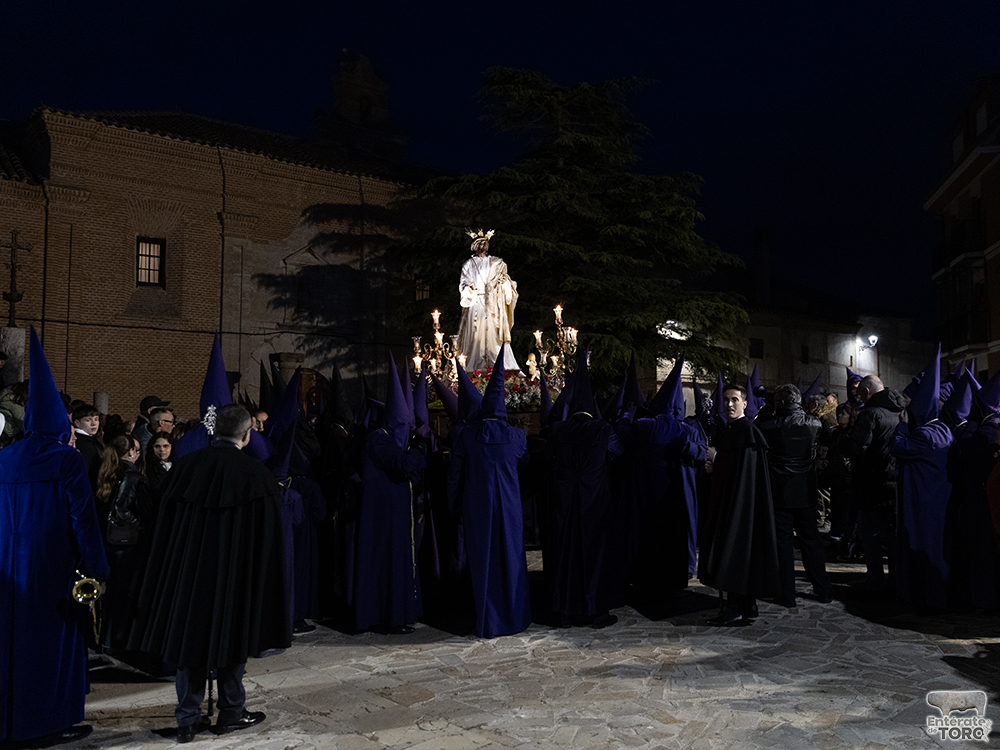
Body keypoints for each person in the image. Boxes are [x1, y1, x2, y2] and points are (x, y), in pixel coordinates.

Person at [129, 404, 289, 742]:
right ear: (247, 435)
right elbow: (268, 541)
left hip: (187, 575)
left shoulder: (184, 468)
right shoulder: (256, 476)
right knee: (233, 638)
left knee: (189, 640)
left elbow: (162, 527)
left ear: (214, 431)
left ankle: (187, 718)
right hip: (235, 577)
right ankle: (231, 711)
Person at [0, 328, 109, 745]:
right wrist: (97, 569)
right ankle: (45, 723)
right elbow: (83, 519)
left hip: (7, 570)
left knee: (9, 645)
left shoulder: (5, 457)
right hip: (51, 571)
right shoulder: (66, 461)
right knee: (50, 649)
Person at [448, 359, 532, 637]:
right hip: (509, 507)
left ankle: (487, 619)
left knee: (482, 560)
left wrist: (453, 503)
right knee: (512, 558)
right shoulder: (517, 437)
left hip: (478, 506)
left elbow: (456, 473)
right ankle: (515, 616)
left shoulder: (467, 437)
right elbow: (526, 463)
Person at [549, 354, 624, 627]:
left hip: (566, 502)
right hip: (594, 503)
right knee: (594, 556)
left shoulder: (560, 429)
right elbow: (619, 451)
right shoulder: (601, 429)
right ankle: (595, 610)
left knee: (566, 555)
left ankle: (565, 611)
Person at [354, 357, 427, 634]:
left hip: (396, 513)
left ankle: (400, 614)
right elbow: (403, 464)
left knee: (398, 561)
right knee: (385, 563)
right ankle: (387, 617)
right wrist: (419, 449)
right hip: (382, 515)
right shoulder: (379, 440)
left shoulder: (386, 439)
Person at [698, 384, 779, 626]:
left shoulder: (746, 431)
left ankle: (736, 608)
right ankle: (746, 605)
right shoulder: (734, 430)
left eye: (734, 400)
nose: (729, 404)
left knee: (735, 552)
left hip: (740, 507)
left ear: (745, 403)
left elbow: (742, 473)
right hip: (736, 503)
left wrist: (716, 459)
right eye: (725, 400)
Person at [756, 384, 832, 607]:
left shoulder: (769, 425)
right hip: (806, 491)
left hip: (780, 491)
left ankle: (786, 593)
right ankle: (823, 590)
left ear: (778, 403)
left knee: (783, 544)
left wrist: (768, 407)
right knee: (811, 542)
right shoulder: (814, 423)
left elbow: (756, 428)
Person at [839, 374, 905, 592]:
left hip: (870, 485)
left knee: (870, 536)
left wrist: (846, 440)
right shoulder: (899, 410)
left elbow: (858, 448)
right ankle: (897, 579)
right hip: (894, 483)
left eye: (860, 393)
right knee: (893, 536)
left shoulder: (870, 414)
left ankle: (875, 581)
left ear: (867, 392)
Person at [95, 433, 157, 648]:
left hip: (109, 540)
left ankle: (106, 639)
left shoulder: (104, 471)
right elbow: (148, 512)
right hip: (129, 543)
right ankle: (118, 641)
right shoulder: (135, 478)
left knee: (111, 593)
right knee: (125, 594)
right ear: (131, 452)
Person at [457, 229, 519, 372]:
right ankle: (475, 364)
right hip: (476, 302)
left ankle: (497, 363)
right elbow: (463, 283)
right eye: (479, 243)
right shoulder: (469, 264)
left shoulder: (497, 263)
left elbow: (508, 282)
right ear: (474, 245)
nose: (483, 245)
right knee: (475, 333)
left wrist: (504, 284)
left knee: (495, 334)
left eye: (485, 243)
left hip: (493, 304)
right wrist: (469, 289)